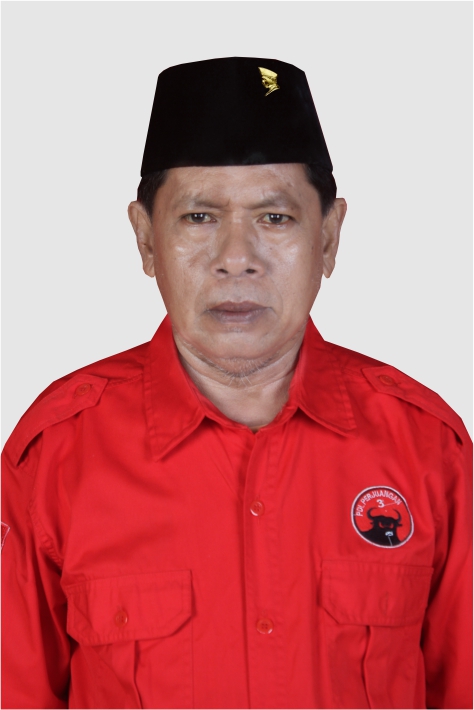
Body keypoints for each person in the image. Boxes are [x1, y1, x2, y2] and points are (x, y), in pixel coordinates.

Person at [1, 57, 471, 710]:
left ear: (330, 237)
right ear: (145, 239)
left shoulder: (427, 447)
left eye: (274, 218)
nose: (236, 258)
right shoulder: (56, 454)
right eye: (199, 217)